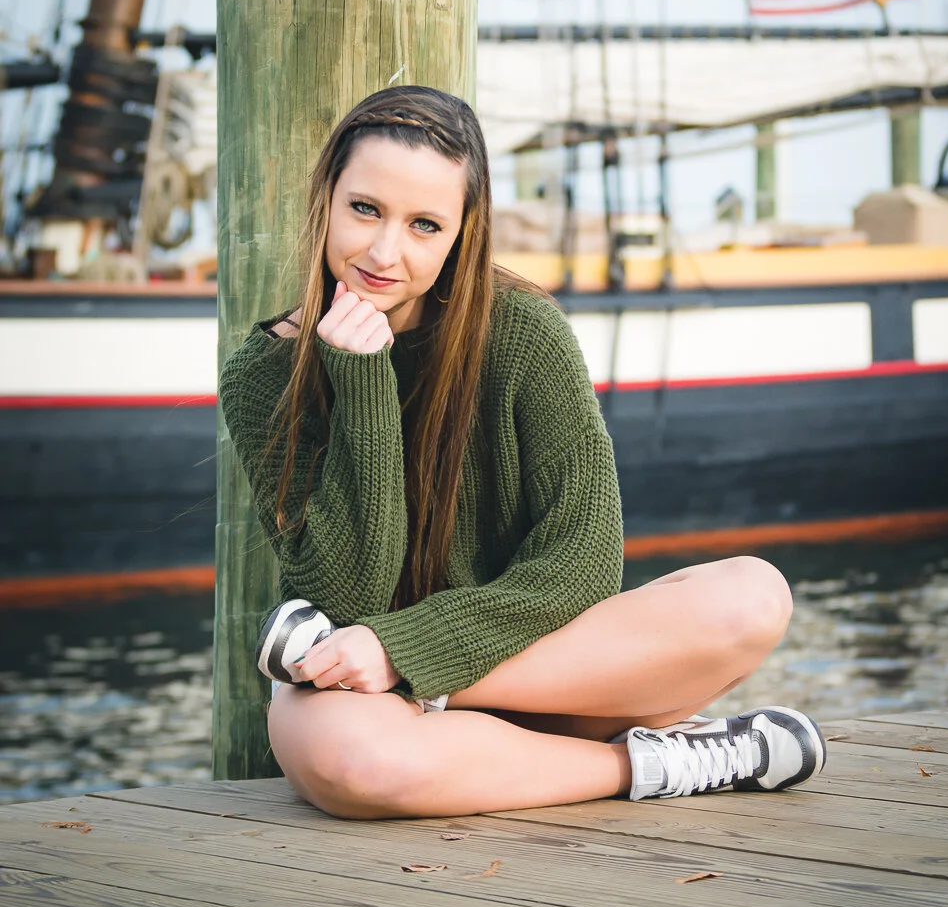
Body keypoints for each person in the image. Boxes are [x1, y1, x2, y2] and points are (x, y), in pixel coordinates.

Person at [220, 85, 825, 820]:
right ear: (328, 198)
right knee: (354, 762)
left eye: (425, 225)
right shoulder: (265, 375)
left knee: (753, 597)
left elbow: (586, 562)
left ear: (461, 236)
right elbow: (353, 601)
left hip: (526, 672)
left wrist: (406, 657)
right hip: (365, 700)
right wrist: (363, 380)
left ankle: (463, 714)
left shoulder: (525, 333)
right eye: (365, 210)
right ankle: (652, 763)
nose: (384, 251)